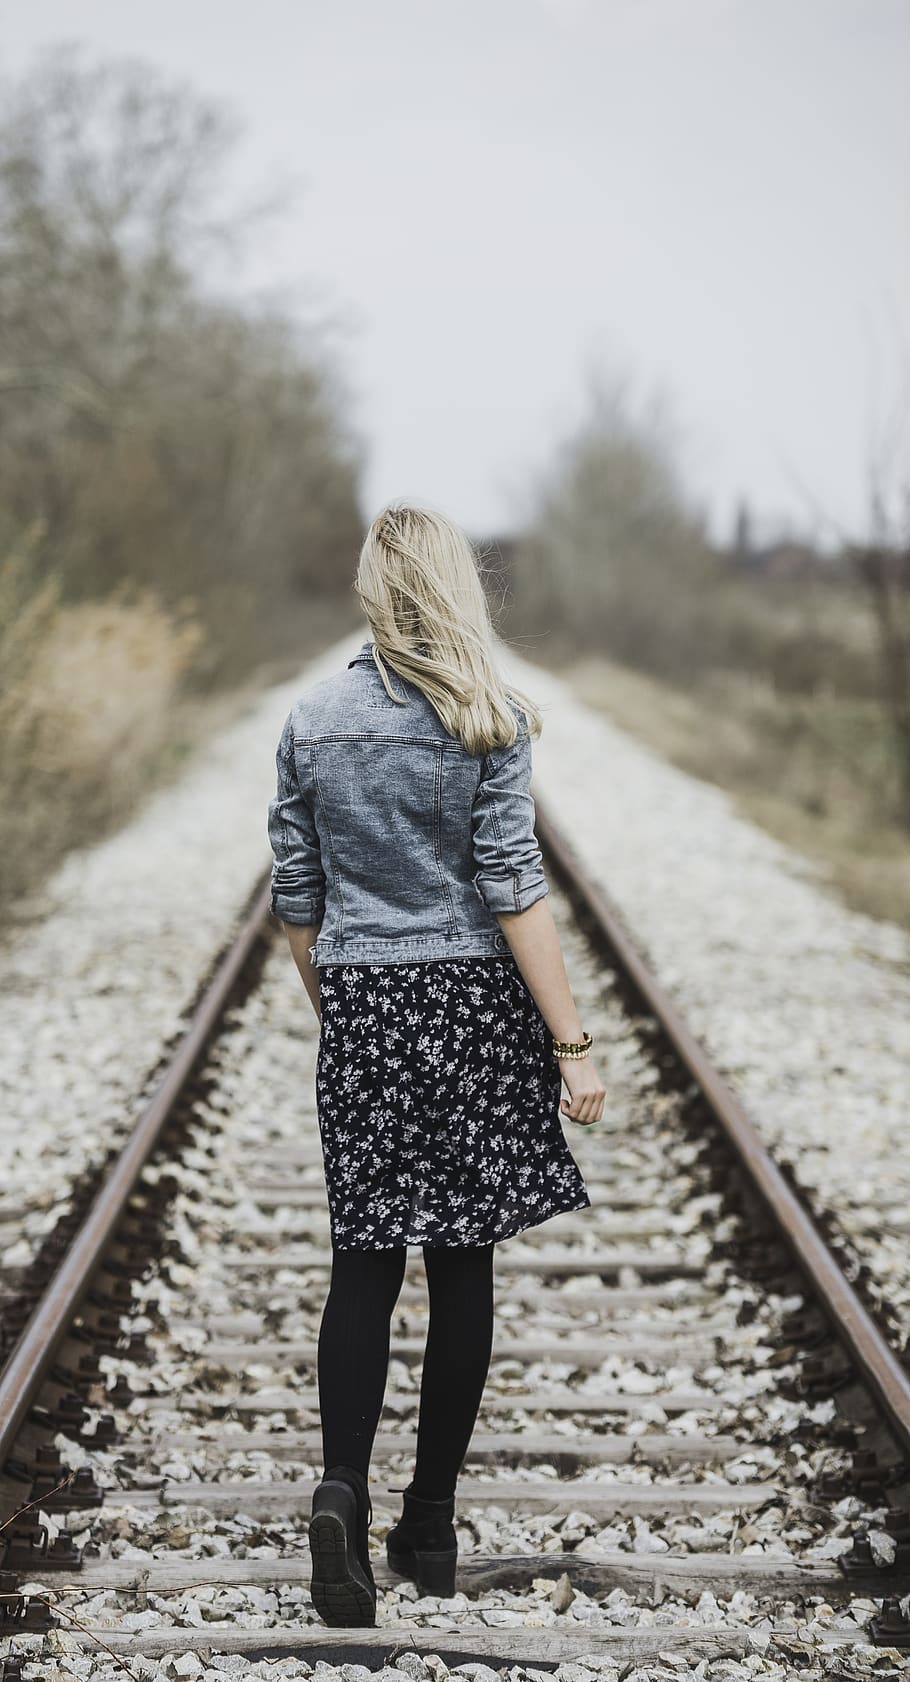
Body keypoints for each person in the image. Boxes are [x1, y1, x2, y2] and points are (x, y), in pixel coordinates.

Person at [267, 502, 606, 1628]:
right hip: (471, 1001)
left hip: (366, 995)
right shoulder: (486, 716)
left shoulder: (311, 719)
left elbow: (298, 901)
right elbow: (513, 883)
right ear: (456, 586)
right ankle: (428, 1519)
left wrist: (346, 1011)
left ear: (372, 586)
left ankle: (341, 1491)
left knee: (363, 1255)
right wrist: (569, 1041)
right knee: (463, 1263)